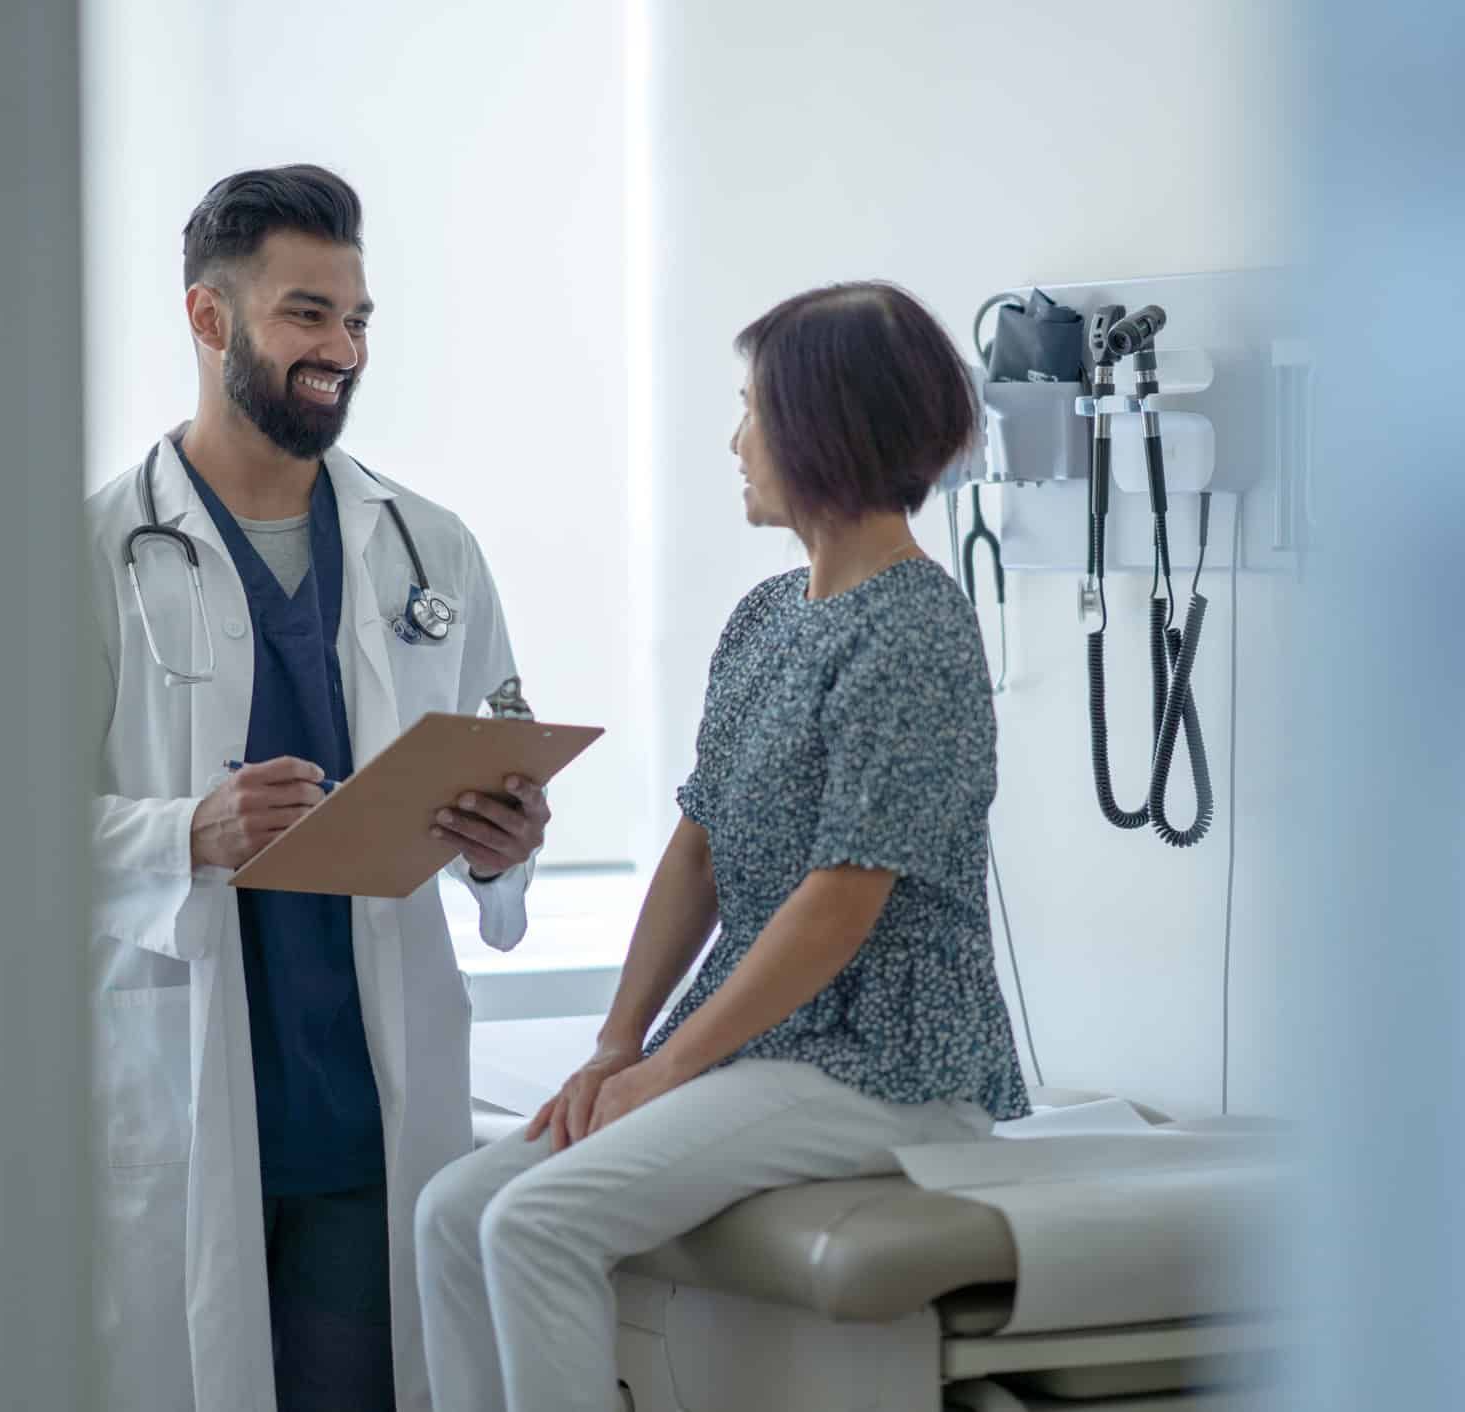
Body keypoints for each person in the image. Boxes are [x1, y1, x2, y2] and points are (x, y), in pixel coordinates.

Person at [414, 281, 1031, 1412]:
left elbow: (840, 901)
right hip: (773, 1043)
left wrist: (671, 1063)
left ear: (820, 427)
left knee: (537, 1219)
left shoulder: (915, 630)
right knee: (453, 1209)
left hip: (887, 1060)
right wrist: (615, 1042)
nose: (733, 438)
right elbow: (696, 850)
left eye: (750, 407)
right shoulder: (764, 616)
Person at [86, 166, 549, 1412]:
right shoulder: (91, 551)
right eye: (306, 315)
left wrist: (503, 842)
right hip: (185, 1084)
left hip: (364, 1103)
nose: (340, 349)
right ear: (207, 319)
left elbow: (496, 745)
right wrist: (186, 827)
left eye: (357, 320)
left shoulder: (428, 544)